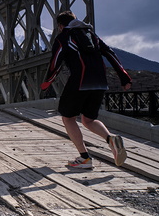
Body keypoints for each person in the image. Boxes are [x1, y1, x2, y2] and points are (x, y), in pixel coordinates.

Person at [41, 11, 132, 169]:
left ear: (61, 26)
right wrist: (124, 77)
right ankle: (111, 139)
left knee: (68, 118)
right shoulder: (92, 35)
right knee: (88, 120)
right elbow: (111, 54)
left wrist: (48, 81)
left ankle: (85, 158)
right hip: (100, 82)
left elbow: (56, 61)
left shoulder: (64, 37)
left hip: (80, 81)